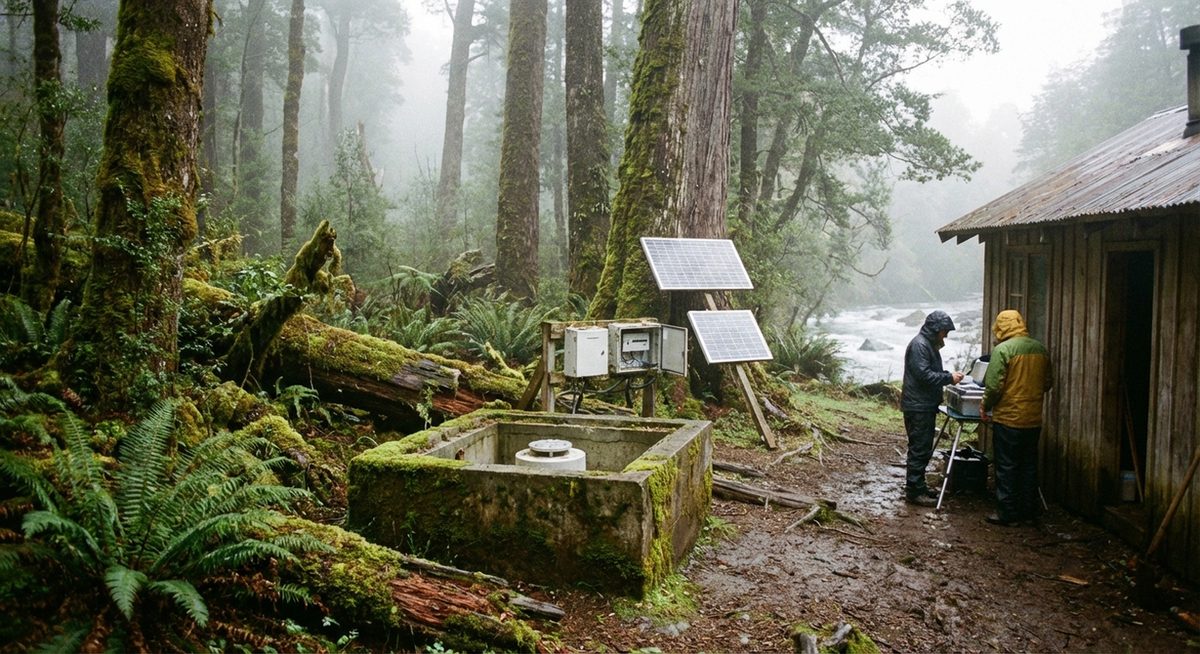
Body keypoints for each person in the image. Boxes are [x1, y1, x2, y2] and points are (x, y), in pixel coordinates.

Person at [979, 309, 1053, 526]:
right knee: (1028, 465)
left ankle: (1007, 513)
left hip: (1008, 419)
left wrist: (985, 405)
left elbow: (993, 386)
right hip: (1033, 420)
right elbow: (1047, 383)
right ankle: (1029, 512)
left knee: (1006, 466)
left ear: (1001, 328)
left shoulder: (1003, 350)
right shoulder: (1040, 349)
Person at [901, 310, 963, 506]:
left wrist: (947, 375)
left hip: (923, 405)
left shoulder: (927, 344)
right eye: (944, 331)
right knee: (919, 449)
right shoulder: (920, 345)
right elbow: (924, 375)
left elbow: (929, 372)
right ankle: (914, 492)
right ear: (936, 329)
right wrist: (948, 378)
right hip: (918, 406)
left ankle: (919, 487)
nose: (945, 335)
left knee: (923, 447)